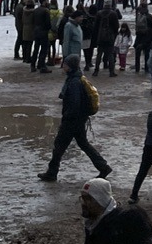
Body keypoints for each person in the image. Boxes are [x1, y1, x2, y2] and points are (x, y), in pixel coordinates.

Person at [38, 54, 112, 182]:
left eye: (65, 64)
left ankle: (52, 173)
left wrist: (67, 117)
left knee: (59, 146)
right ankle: (103, 167)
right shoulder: (76, 78)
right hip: (79, 119)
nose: (63, 66)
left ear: (70, 66)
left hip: (72, 121)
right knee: (83, 144)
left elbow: (74, 103)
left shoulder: (74, 82)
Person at [80, 178, 152, 244]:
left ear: (101, 200)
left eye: (88, 199)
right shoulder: (92, 222)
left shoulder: (119, 224)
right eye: (82, 198)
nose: (83, 203)